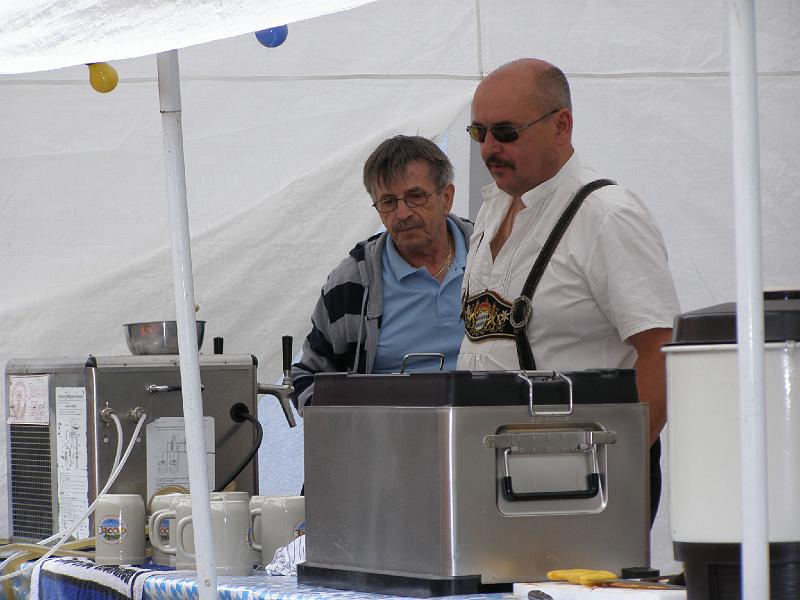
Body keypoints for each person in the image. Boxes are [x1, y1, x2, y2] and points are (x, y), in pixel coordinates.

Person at [458, 58, 680, 524]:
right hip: (492, 472)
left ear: (562, 125)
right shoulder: (492, 211)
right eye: (480, 133)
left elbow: (662, 352)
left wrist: (605, 467)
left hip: (580, 482)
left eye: (506, 132)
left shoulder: (606, 215)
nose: (490, 149)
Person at [291, 135, 473, 413]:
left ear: (446, 197)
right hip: (387, 446)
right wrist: (357, 425)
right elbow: (306, 377)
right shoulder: (352, 282)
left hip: (487, 439)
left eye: (415, 197)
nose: (401, 214)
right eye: (387, 202)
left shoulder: (495, 255)